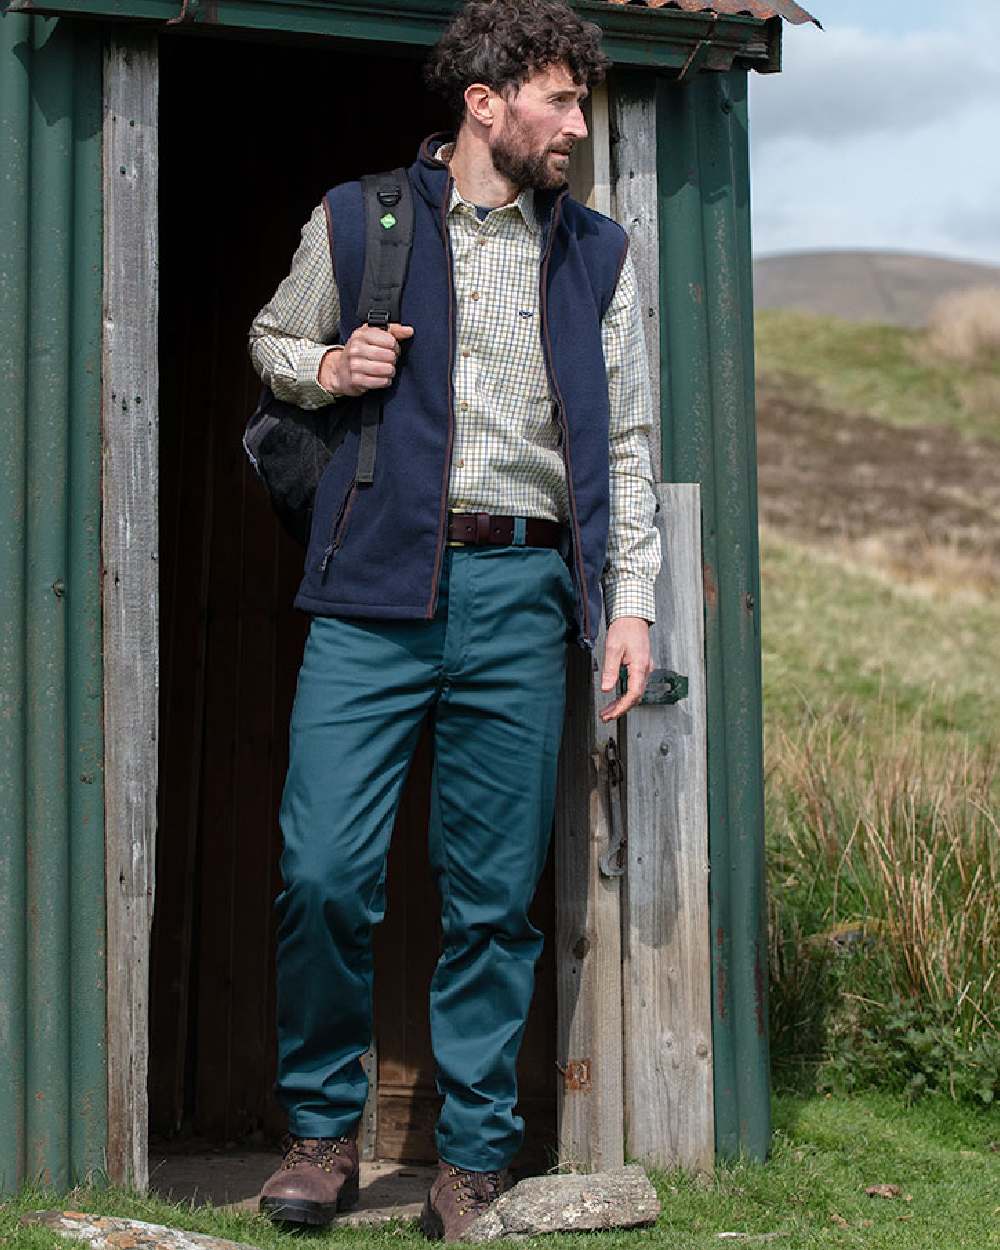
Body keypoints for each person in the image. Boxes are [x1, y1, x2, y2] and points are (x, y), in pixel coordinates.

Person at [247, 0, 660, 1238]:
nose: (577, 127)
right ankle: (322, 1137)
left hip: (526, 593)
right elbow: (272, 335)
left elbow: (628, 441)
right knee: (323, 871)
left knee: (493, 898)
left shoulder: (598, 252)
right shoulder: (357, 217)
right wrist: (329, 368)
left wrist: (627, 601)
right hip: (371, 589)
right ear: (485, 103)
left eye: (582, 104)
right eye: (559, 101)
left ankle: (473, 1160)